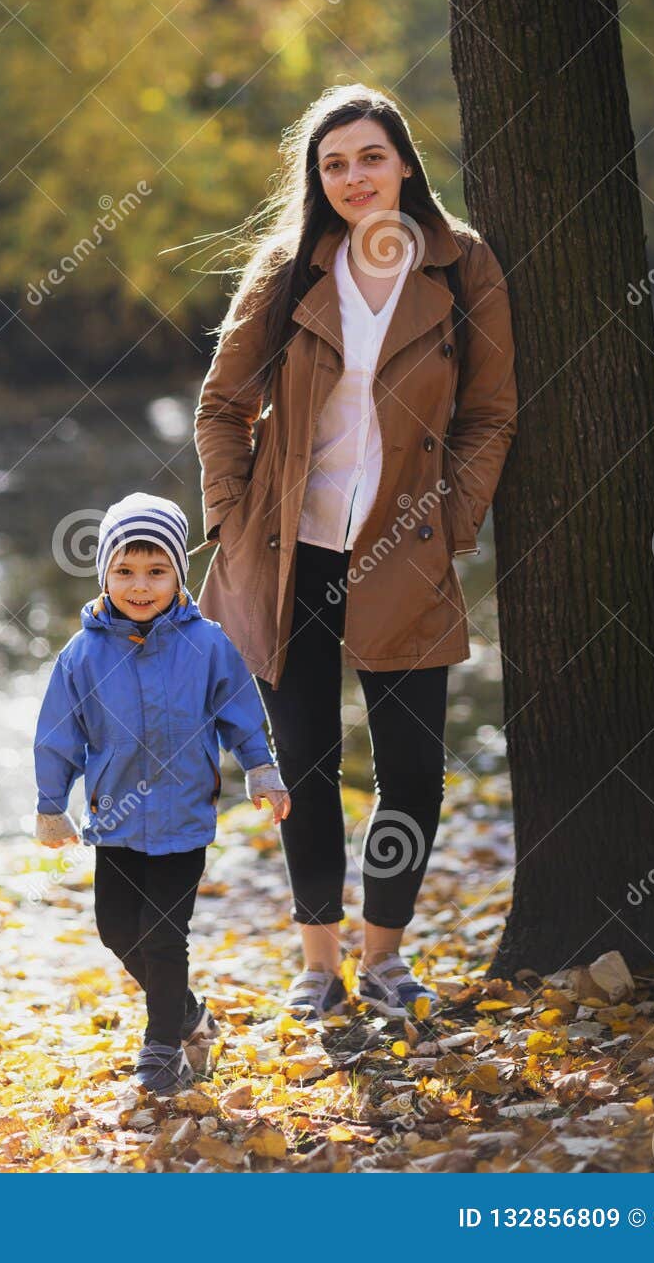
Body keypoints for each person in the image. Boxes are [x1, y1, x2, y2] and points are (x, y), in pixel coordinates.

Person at [192, 83, 518, 1024]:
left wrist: (451, 525)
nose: (352, 177)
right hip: (288, 547)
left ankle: (384, 960)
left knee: (414, 771)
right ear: (317, 177)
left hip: (405, 546)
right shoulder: (288, 268)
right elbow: (221, 406)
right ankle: (316, 964)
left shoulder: (463, 269)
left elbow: (491, 414)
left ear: (404, 163)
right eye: (333, 164)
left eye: (369, 157)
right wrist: (230, 517)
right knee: (302, 769)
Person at [33, 492, 290, 1095]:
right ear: (105, 575)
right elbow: (58, 733)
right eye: (124, 571)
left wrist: (261, 766)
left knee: (166, 933)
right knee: (117, 929)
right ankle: (188, 1013)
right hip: (114, 819)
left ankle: (161, 1048)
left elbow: (240, 710)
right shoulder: (83, 653)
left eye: (156, 571)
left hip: (183, 817)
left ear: (179, 574)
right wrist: (51, 804)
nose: (140, 586)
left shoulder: (206, 643)